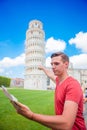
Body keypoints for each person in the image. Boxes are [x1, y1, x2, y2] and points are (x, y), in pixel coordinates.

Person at [11, 52, 86, 130]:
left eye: (56, 64)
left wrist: (31, 115)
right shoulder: (58, 81)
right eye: (52, 64)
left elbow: (66, 124)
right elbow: (50, 74)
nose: (53, 67)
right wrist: (43, 68)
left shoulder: (72, 85)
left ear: (66, 64)